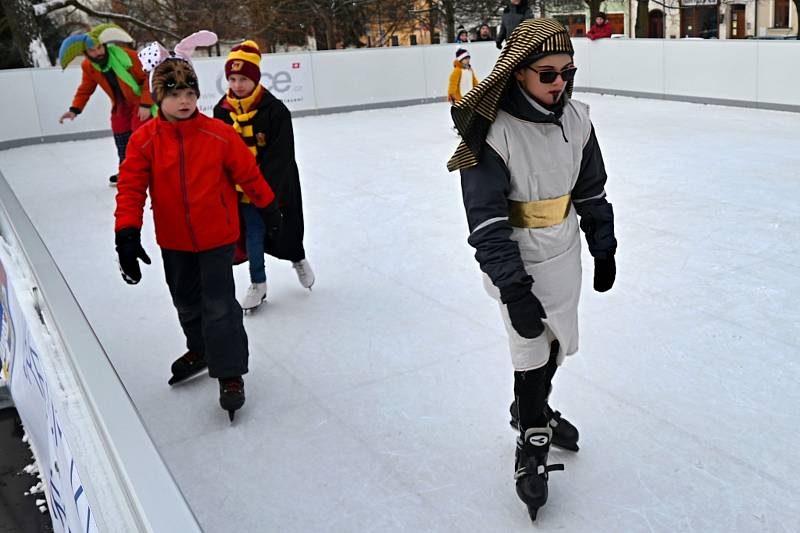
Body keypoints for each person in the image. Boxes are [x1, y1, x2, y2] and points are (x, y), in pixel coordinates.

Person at [448, 18, 617, 521]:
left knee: (557, 344)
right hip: (516, 259)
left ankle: (530, 408)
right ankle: (533, 434)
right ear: (518, 74)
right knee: (531, 352)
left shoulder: (579, 119)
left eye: (567, 71)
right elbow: (487, 225)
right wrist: (514, 289)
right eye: (547, 73)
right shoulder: (492, 134)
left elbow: (591, 189)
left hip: (563, 252)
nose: (560, 83)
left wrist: (603, 245)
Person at [114, 31, 282, 422]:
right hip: (174, 240)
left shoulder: (218, 134)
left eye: (190, 92)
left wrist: (270, 206)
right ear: (159, 98)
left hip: (216, 237)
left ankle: (230, 372)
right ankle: (201, 348)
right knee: (186, 303)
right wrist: (126, 233)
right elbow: (131, 189)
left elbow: (249, 174)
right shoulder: (144, 142)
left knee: (220, 307)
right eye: (174, 94)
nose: (184, 100)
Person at [213, 40, 315, 312]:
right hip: (241, 189)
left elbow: (281, 155)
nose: (237, 84)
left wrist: (262, 189)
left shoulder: (275, 110)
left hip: (275, 186)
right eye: (232, 78)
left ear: (256, 79)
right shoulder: (221, 112)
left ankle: (298, 258)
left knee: (287, 230)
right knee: (253, 236)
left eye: (243, 78)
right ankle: (258, 282)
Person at [57, 24, 153, 187]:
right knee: (121, 135)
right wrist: (75, 109)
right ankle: (127, 170)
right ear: (85, 54)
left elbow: (148, 77)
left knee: (140, 134)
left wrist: (146, 103)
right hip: (120, 105)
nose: (98, 52)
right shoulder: (88, 67)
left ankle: (148, 169)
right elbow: (86, 89)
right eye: (92, 51)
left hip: (139, 101)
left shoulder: (127, 55)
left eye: (99, 47)